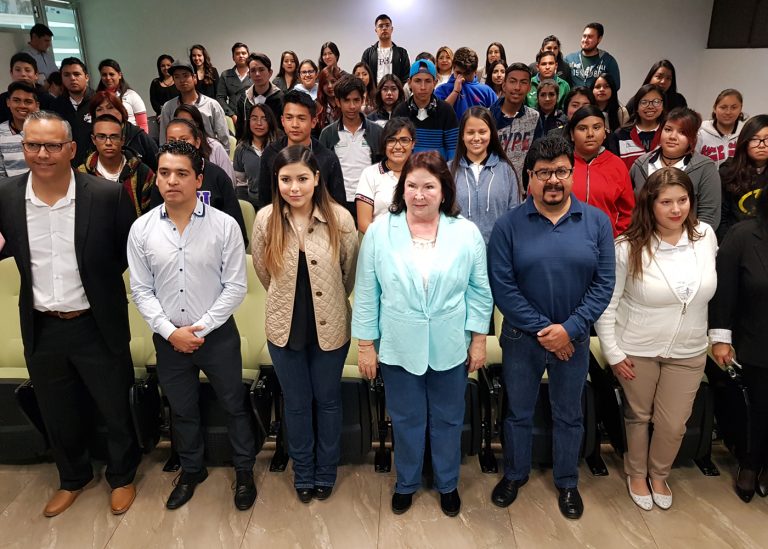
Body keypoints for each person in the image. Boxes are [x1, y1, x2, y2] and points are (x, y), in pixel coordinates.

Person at [0, 110, 140, 517]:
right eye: (33, 145)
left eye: (52, 145)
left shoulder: (106, 195)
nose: (42, 154)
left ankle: (122, 475)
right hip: (42, 323)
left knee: (114, 405)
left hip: (96, 321)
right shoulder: (7, 196)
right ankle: (73, 476)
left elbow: (123, 255)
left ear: (72, 149)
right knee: (56, 408)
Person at [353, 151, 493, 517]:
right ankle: (407, 482)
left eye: (428, 186)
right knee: (406, 418)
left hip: (451, 343)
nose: (419, 194)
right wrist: (366, 345)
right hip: (399, 344)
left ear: (443, 191)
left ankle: (447, 483)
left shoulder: (466, 232)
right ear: (403, 188)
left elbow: (480, 291)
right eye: (411, 185)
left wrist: (478, 339)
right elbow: (368, 291)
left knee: (448, 418)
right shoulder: (382, 230)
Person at [487, 134, 615, 520]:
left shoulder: (596, 222)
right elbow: (503, 287)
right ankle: (515, 474)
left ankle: (567, 481)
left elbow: (603, 284)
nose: (553, 180)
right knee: (518, 412)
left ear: (572, 174)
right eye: (544, 173)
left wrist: (570, 329)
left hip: (573, 340)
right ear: (529, 177)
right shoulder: (508, 225)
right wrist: (547, 330)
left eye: (561, 171)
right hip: (521, 338)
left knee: (568, 414)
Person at [128, 140, 257, 511]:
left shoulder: (225, 226)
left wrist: (200, 328)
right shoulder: (142, 230)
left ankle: (244, 471)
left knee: (234, 405)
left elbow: (235, 286)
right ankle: (191, 470)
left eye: (182, 173)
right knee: (182, 410)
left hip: (216, 337)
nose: (172, 181)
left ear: (198, 177)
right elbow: (141, 289)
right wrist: (171, 333)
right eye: (165, 173)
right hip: (169, 339)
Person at [595, 167, 717, 511]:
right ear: (650, 205)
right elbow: (608, 304)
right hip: (636, 347)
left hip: (689, 348)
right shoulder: (627, 246)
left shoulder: (705, 235)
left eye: (682, 200)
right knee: (638, 415)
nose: (676, 209)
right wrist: (613, 352)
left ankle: (659, 473)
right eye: (666, 202)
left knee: (673, 422)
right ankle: (636, 473)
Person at [253, 145, 358, 502]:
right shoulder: (266, 219)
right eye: (285, 179)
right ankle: (304, 471)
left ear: (316, 178)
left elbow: (348, 274)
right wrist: (286, 300)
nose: (294, 187)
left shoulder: (340, 220)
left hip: (330, 325)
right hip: (285, 326)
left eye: (301, 178)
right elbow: (265, 274)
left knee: (327, 401)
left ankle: (326, 470)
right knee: (296, 403)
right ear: (276, 181)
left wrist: (328, 298)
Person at [709, 184, 768, 503]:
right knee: (759, 409)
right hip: (756, 340)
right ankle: (750, 463)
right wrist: (721, 338)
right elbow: (724, 293)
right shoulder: (743, 235)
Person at [153, 118, 247, 245]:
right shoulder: (162, 179)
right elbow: (154, 225)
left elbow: (236, 231)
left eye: (184, 140)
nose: (178, 145)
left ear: (197, 142)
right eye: (171, 141)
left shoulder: (218, 176)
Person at [630, 107, 721, 230]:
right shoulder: (641, 164)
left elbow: (709, 217)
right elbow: (629, 207)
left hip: (686, 243)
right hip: (643, 238)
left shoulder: (705, 167)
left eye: (682, 132)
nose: (673, 136)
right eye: (667, 129)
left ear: (693, 138)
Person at [257, 89, 346, 208]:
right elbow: (265, 201)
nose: (295, 124)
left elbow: (338, 206)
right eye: (289, 118)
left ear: (313, 122)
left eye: (301, 118)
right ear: (282, 121)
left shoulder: (327, 158)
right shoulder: (271, 154)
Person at [451, 106, 521, 243]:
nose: (476, 138)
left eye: (482, 132)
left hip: (497, 251)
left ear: (491, 134)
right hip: (460, 252)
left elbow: (515, 214)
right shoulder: (449, 171)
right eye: (470, 132)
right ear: (462, 136)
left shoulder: (505, 170)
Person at [319, 76, 383, 220]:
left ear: (363, 100)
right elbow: (322, 172)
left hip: (370, 200)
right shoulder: (328, 134)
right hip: (337, 203)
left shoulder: (377, 132)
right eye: (346, 100)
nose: (352, 106)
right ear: (338, 102)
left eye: (356, 100)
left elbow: (382, 168)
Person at [568, 105, 635, 236]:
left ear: (605, 132)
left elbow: (628, 211)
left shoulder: (617, 165)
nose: (590, 134)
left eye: (597, 127)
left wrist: (616, 237)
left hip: (606, 244)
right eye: (582, 128)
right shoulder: (561, 165)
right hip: (564, 243)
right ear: (572, 134)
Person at [77, 114, 154, 217]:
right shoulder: (81, 174)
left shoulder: (142, 172)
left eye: (114, 136)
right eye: (101, 137)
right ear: (93, 139)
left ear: (122, 140)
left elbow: (152, 216)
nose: (108, 142)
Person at [356, 117, 416, 233]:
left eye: (404, 140)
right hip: (378, 243)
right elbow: (364, 224)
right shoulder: (370, 174)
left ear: (413, 143)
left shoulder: (422, 173)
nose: (398, 146)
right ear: (384, 144)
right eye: (391, 140)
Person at [392, 60, 458, 161]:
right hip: (408, 172)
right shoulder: (400, 112)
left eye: (428, 81)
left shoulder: (446, 111)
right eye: (417, 81)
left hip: (439, 173)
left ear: (435, 83)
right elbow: (395, 148)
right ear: (409, 83)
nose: (423, 87)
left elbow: (453, 150)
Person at [159, 60, 230, 152]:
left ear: (194, 78)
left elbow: (223, 138)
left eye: (185, 75)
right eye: (177, 77)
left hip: (209, 156)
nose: (182, 80)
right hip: (180, 157)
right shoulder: (168, 107)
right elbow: (164, 141)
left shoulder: (212, 105)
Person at [716, 115, 768, 241]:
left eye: (767, 139)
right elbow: (722, 216)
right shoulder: (728, 171)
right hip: (735, 240)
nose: (762, 145)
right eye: (755, 139)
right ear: (745, 142)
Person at [490, 63, 540, 179]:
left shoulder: (534, 117)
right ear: (504, 86)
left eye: (523, 82)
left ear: (529, 87)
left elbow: (536, 156)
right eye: (512, 81)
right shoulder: (488, 117)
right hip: (492, 185)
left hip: (521, 188)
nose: (517, 87)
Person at [89, 90, 159, 172]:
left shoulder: (139, 136)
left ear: (121, 110)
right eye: (99, 109)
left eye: (110, 107)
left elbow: (158, 168)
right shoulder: (91, 138)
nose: (105, 113)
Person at [233, 103, 282, 207]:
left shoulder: (279, 147)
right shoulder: (241, 149)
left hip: (277, 202)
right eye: (254, 118)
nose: (259, 123)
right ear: (248, 121)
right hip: (252, 203)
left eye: (264, 119)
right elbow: (241, 184)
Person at [607, 84, 665, 170]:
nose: (650, 106)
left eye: (656, 102)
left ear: (663, 106)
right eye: (644, 102)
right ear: (636, 107)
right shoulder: (621, 135)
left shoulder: (668, 133)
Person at [51, 57, 95, 167]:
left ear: (86, 77)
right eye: (66, 75)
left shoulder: (100, 101)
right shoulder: (55, 106)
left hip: (96, 164)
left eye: (76, 74)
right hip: (66, 166)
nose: (72, 78)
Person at [173, 103, 234, 181]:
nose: (183, 127)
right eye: (179, 122)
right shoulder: (171, 148)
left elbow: (229, 181)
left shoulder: (215, 147)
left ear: (197, 124)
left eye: (188, 123)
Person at [435, 47, 498, 121]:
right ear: (453, 68)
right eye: (458, 73)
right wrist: (455, 92)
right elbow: (438, 116)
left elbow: (496, 118)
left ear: (475, 71)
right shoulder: (442, 90)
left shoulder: (486, 91)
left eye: (467, 73)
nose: (462, 78)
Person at [233, 53, 284, 138]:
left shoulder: (280, 98)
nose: (257, 74)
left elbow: (283, 129)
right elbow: (240, 130)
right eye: (253, 70)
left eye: (261, 70)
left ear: (270, 73)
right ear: (249, 74)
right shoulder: (244, 99)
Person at [0, 53, 55, 124]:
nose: (23, 74)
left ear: (36, 75)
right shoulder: (2, 99)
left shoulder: (49, 100)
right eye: (18, 70)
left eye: (27, 70)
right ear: (11, 73)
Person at [564, 22, 621, 91]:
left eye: (590, 37)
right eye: (584, 36)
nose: (585, 40)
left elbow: (615, 86)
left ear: (599, 39)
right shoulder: (569, 59)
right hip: (575, 100)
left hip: (596, 101)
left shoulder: (608, 61)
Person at [697, 89, 745, 167]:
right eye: (723, 107)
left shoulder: (746, 133)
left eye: (734, 107)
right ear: (714, 108)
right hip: (707, 179)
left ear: (740, 109)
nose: (728, 112)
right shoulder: (700, 133)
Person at [0, 81, 39, 177]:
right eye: (16, 100)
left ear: (37, 106)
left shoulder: (49, 130)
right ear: (8, 102)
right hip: (11, 190)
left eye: (28, 101)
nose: (22, 105)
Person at [97, 59, 148, 132]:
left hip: (131, 139)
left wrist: (142, 141)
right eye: (104, 75)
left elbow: (142, 124)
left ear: (120, 75)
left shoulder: (131, 95)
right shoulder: (97, 97)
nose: (108, 78)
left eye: (111, 74)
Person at [361, 14, 411, 84]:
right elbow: (363, 75)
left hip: (395, 93)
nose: (384, 28)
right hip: (374, 93)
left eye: (387, 25)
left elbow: (406, 76)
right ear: (376, 30)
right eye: (381, 26)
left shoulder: (402, 53)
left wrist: (398, 90)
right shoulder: (368, 53)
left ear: (392, 29)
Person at [216, 42, 251, 122]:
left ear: (248, 56)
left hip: (252, 116)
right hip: (232, 117)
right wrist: (231, 115)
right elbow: (220, 97)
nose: (241, 56)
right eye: (237, 53)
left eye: (244, 53)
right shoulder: (226, 75)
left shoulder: (255, 74)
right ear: (233, 57)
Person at [149, 54, 179, 119]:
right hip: (162, 116)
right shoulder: (155, 82)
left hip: (179, 115)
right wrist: (164, 113)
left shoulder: (178, 80)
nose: (166, 68)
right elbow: (154, 102)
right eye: (163, 66)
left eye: (168, 65)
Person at [316, 66, 342, 132]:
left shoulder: (346, 103)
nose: (329, 86)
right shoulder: (316, 105)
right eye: (325, 83)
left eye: (333, 82)